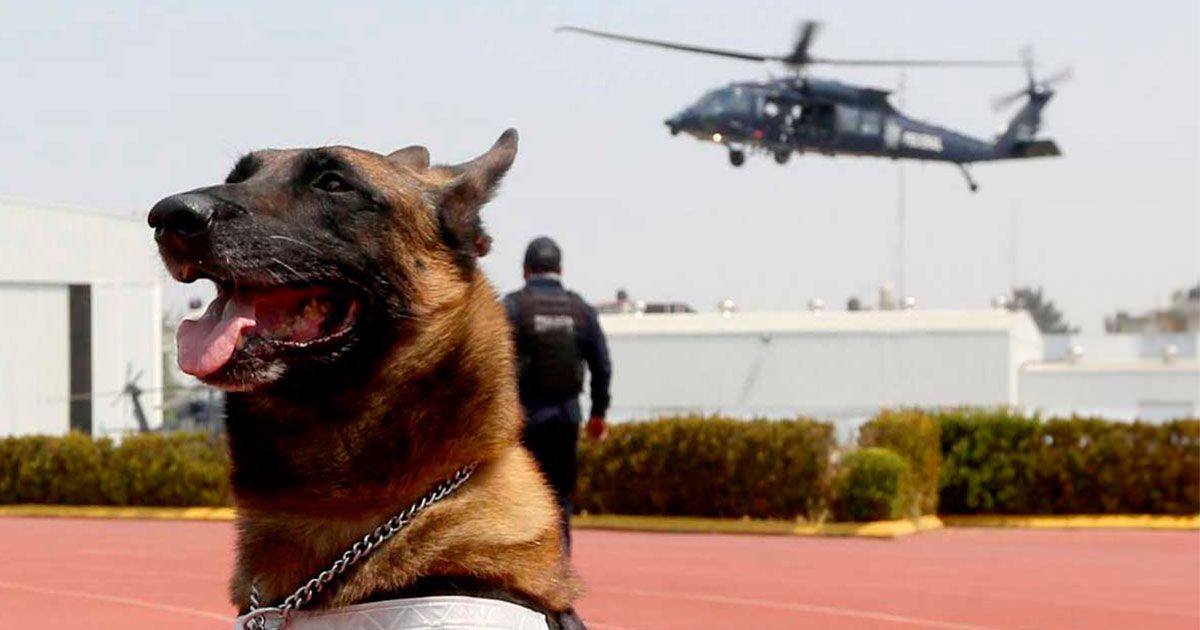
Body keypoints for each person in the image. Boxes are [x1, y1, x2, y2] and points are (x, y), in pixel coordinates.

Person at [503, 236, 611, 551]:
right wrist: (598, 414)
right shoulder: (582, 311)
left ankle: (523, 567)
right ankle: (560, 564)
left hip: (524, 420)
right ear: (560, 270)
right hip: (566, 418)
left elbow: (490, 362)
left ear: (525, 270)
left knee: (520, 497)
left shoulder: (513, 308)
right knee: (559, 497)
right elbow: (602, 366)